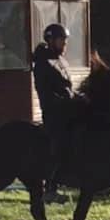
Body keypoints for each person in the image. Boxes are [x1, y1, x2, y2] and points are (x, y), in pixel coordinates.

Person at [32, 23, 88, 203]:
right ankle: (50, 187)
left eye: (65, 40)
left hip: (68, 107)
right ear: (50, 41)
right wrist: (67, 101)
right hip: (54, 112)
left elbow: (67, 87)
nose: (65, 44)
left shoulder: (61, 60)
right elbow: (47, 91)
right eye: (61, 40)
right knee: (61, 139)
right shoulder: (42, 63)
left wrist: (79, 97)